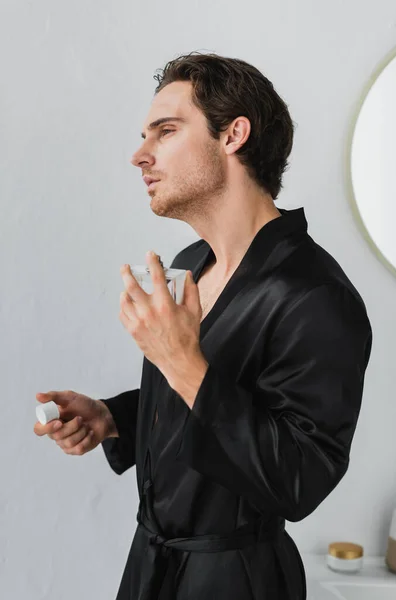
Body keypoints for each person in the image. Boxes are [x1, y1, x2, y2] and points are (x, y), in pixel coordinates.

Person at [34, 52, 373, 600]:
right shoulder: (193, 263)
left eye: (165, 132)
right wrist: (114, 417)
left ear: (234, 134)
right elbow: (211, 399)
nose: (139, 155)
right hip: (150, 571)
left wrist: (179, 359)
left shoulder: (316, 296)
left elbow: (299, 480)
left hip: (236, 583)